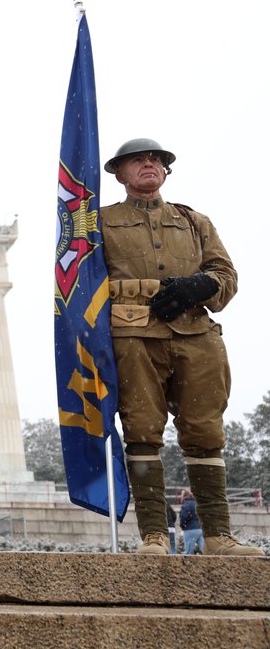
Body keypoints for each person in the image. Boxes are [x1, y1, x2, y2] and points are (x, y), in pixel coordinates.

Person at [101, 138, 261, 556]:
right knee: (141, 430)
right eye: (138, 160)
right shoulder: (99, 222)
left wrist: (200, 285)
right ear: (120, 173)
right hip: (134, 336)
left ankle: (218, 535)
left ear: (166, 172)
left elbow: (226, 276)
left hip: (195, 335)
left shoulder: (194, 222)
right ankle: (154, 534)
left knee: (206, 433)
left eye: (156, 160)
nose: (149, 164)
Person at [179, 490, 203, 555]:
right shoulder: (196, 503)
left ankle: (188, 564)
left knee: (188, 552)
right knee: (204, 549)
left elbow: (183, 517)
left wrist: (183, 526)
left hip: (190, 529)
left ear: (184, 496)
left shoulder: (186, 504)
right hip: (200, 529)